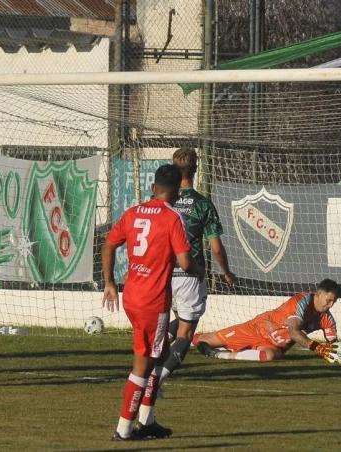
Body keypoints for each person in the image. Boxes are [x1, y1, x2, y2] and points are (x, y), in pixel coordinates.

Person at [137, 148, 236, 428]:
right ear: (196, 168)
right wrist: (226, 272)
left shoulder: (159, 203)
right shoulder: (203, 204)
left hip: (161, 273)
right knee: (186, 332)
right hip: (189, 274)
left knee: (168, 325)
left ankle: (146, 374)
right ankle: (156, 381)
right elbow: (215, 246)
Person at [101, 164, 192, 441]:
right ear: (177, 192)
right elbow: (186, 262)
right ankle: (125, 429)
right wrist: (198, 269)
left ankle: (147, 420)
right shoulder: (173, 217)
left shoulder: (133, 212)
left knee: (159, 355)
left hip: (132, 295)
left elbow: (107, 245)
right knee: (144, 363)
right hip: (154, 301)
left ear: (153, 187)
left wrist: (109, 283)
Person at [194, 279, 341, 362]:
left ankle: (219, 354)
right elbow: (293, 331)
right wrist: (317, 347)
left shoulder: (327, 319)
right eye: (329, 300)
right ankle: (174, 337)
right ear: (319, 294)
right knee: (203, 340)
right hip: (257, 329)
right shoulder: (301, 302)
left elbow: (334, 345)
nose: (330, 305)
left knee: (270, 356)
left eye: (333, 302)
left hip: (272, 346)